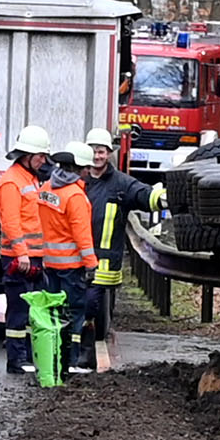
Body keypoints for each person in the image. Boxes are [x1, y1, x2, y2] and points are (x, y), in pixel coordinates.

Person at [84, 126, 164, 349]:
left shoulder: (120, 183)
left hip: (104, 262)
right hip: (76, 258)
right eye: (93, 151)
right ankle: (78, 352)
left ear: (109, 153)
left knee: (91, 304)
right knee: (76, 305)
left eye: (101, 151)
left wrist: (163, 198)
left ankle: (87, 350)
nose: (97, 156)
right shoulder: (78, 180)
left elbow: (143, 195)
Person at [0, 124, 53, 373]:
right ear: (27, 156)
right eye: (40, 156)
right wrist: (22, 253)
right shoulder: (11, 183)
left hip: (33, 257)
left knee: (33, 309)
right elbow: (11, 222)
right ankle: (15, 360)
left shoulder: (29, 179)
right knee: (18, 311)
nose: (44, 160)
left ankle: (28, 355)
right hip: (20, 259)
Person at [37, 140, 100, 374]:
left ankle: (52, 359)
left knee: (53, 312)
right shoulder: (75, 196)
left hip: (49, 262)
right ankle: (71, 361)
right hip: (71, 266)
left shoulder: (46, 188)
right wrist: (91, 264)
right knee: (74, 313)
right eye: (86, 169)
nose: (88, 173)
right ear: (80, 168)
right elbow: (82, 235)